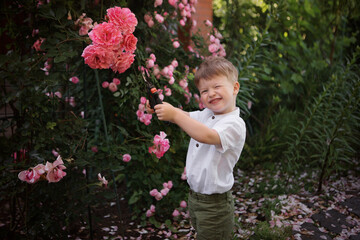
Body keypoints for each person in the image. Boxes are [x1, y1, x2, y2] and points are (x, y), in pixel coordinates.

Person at [147, 56, 246, 240]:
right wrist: (164, 109)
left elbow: (207, 136)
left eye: (217, 87)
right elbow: (187, 117)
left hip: (215, 205)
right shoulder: (207, 114)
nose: (211, 93)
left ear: (235, 88)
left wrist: (175, 115)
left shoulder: (234, 124)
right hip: (196, 198)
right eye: (204, 90)